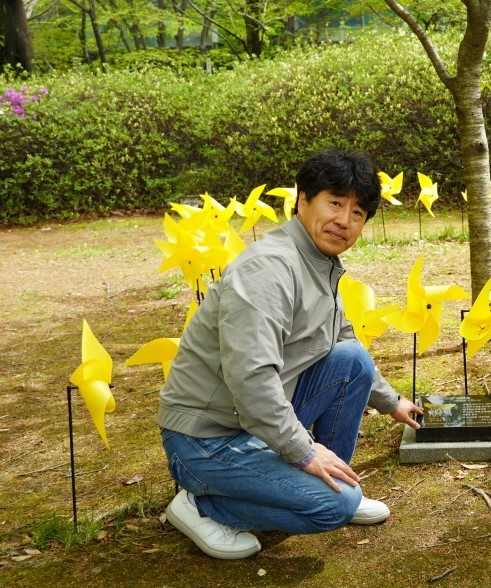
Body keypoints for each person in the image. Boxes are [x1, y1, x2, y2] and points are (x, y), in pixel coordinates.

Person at [157, 148, 422, 560]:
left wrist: (392, 402)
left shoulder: (319, 260)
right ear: (302, 200)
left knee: (351, 360)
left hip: (248, 421)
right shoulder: (269, 269)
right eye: (334, 203)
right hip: (206, 440)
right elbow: (251, 379)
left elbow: (343, 336)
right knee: (331, 507)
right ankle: (200, 505)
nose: (344, 221)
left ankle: (335, 480)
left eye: (357, 213)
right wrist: (304, 451)